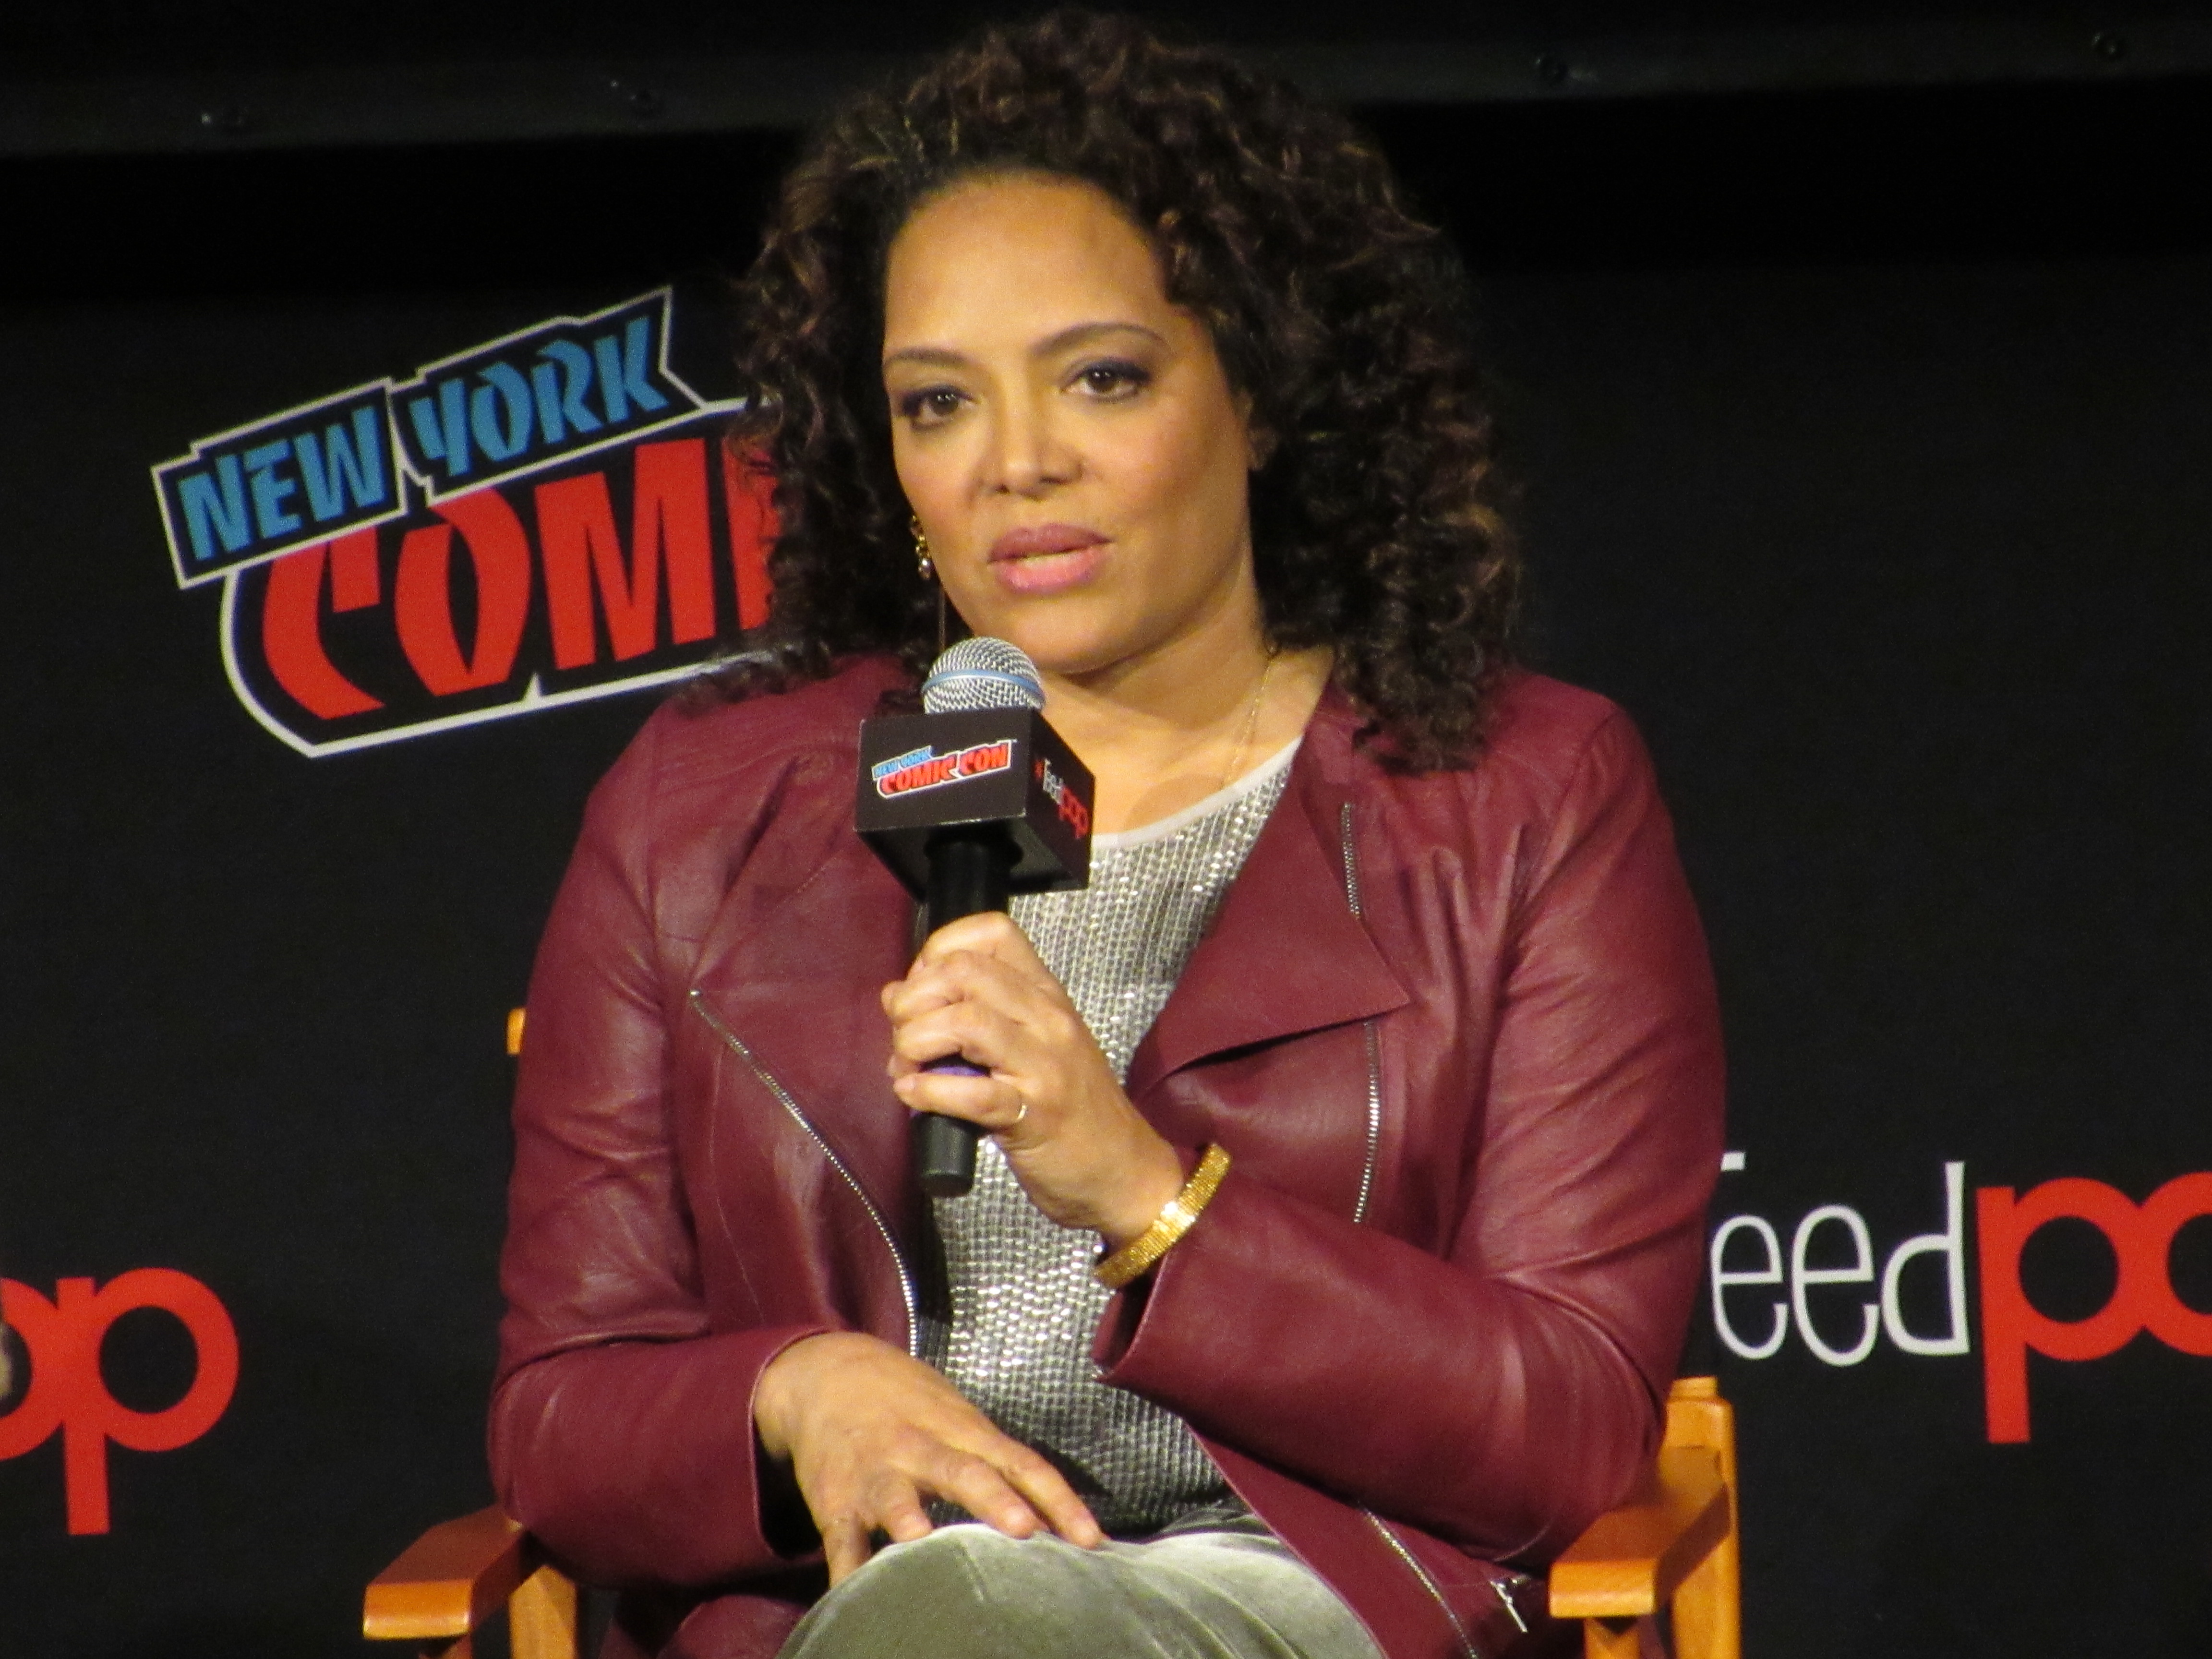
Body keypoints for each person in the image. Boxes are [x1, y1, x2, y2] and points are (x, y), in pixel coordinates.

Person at [490, 12, 1725, 1659]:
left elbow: (1566, 1426)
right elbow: (563, 1417)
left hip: (1302, 1603)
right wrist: (798, 1394)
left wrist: (1150, 1196)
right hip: (855, 1613)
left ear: (1262, 394)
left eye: (1102, 378)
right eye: (939, 404)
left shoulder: (1521, 799)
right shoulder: (698, 810)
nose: (1018, 465)